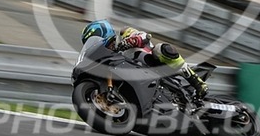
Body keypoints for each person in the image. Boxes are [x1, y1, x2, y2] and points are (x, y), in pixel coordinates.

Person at [80, 20, 209, 100]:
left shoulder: (123, 34)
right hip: (139, 79)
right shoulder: (107, 59)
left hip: (153, 64)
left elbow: (145, 36)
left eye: (93, 39)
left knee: (162, 49)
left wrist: (131, 41)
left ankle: (197, 82)